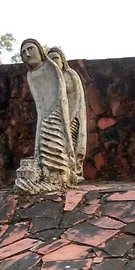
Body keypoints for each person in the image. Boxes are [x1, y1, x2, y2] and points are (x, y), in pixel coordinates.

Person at [15, 38, 74, 192]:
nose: (27, 54)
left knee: (53, 146)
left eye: (30, 49)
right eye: (23, 52)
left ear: (39, 50)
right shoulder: (31, 75)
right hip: (45, 117)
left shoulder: (51, 68)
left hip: (56, 115)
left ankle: (59, 178)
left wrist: (56, 119)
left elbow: (60, 97)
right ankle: (47, 178)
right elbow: (39, 104)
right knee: (43, 147)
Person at [47, 47, 88, 176]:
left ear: (62, 60)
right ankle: (61, 171)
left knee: (72, 144)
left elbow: (78, 97)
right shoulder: (50, 79)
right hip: (56, 118)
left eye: (56, 58)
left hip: (72, 115)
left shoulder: (70, 75)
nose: (54, 62)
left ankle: (73, 171)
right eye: (50, 60)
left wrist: (71, 116)